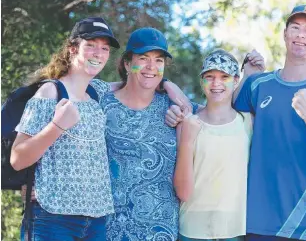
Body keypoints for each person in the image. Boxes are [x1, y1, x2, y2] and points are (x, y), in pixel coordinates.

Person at [165, 3, 306, 241]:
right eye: (295, 27)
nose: (301, 35)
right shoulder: (258, 85)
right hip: (259, 224)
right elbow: (219, 114)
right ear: (285, 34)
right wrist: (178, 103)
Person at [11, 17, 120, 241]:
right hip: (53, 218)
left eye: (104, 48)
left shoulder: (96, 93)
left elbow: (137, 82)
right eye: (90, 45)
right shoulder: (50, 92)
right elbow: (18, 158)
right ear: (72, 49)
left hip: (96, 220)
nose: (98, 53)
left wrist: (169, 86)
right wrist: (57, 125)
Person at [89, 27, 189, 241]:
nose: (151, 67)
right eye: (143, 58)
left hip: (161, 233)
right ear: (126, 63)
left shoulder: (174, 109)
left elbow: (215, 115)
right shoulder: (100, 105)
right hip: (106, 231)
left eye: (159, 60)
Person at [174, 49, 255, 241]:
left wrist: (253, 71)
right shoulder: (187, 123)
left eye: (224, 76)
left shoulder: (249, 122)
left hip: (234, 231)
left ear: (236, 80)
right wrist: (187, 140)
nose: (216, 83)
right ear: (201, 81)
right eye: (209, 76)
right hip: (192, 231)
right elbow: (182, 191)